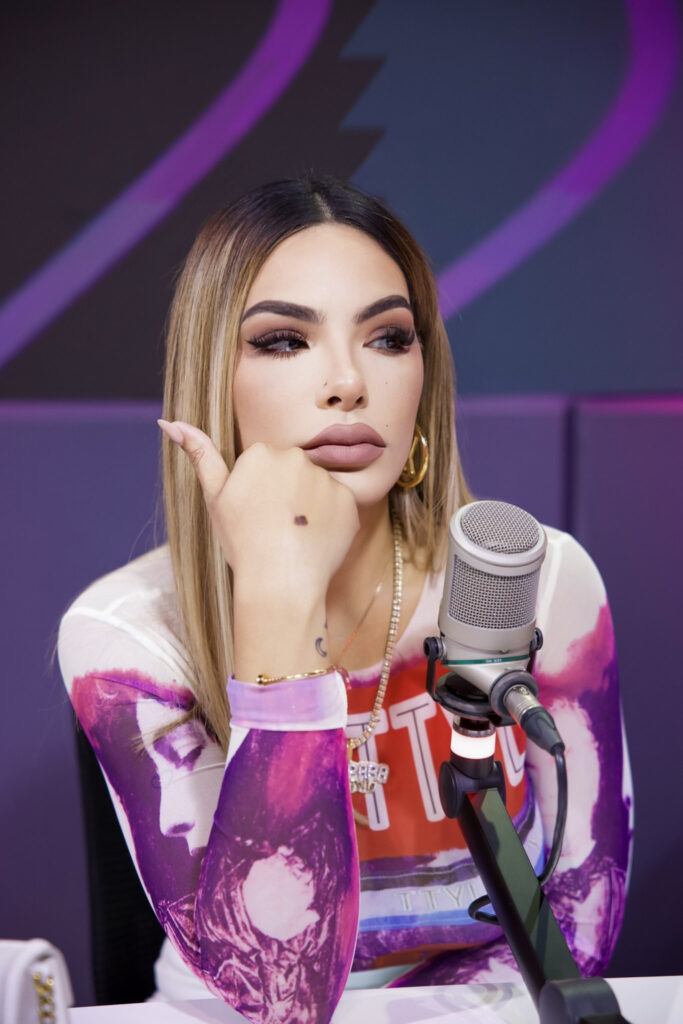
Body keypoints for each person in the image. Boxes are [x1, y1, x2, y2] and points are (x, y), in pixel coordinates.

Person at [58, 175, 632, 1024]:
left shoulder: (534, 580)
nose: (347, 382)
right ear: (213, 380)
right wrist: (277, 602)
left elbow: (582, 920)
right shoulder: (126, 637)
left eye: (388, 337)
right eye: (284, 340)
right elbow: (278, 997)